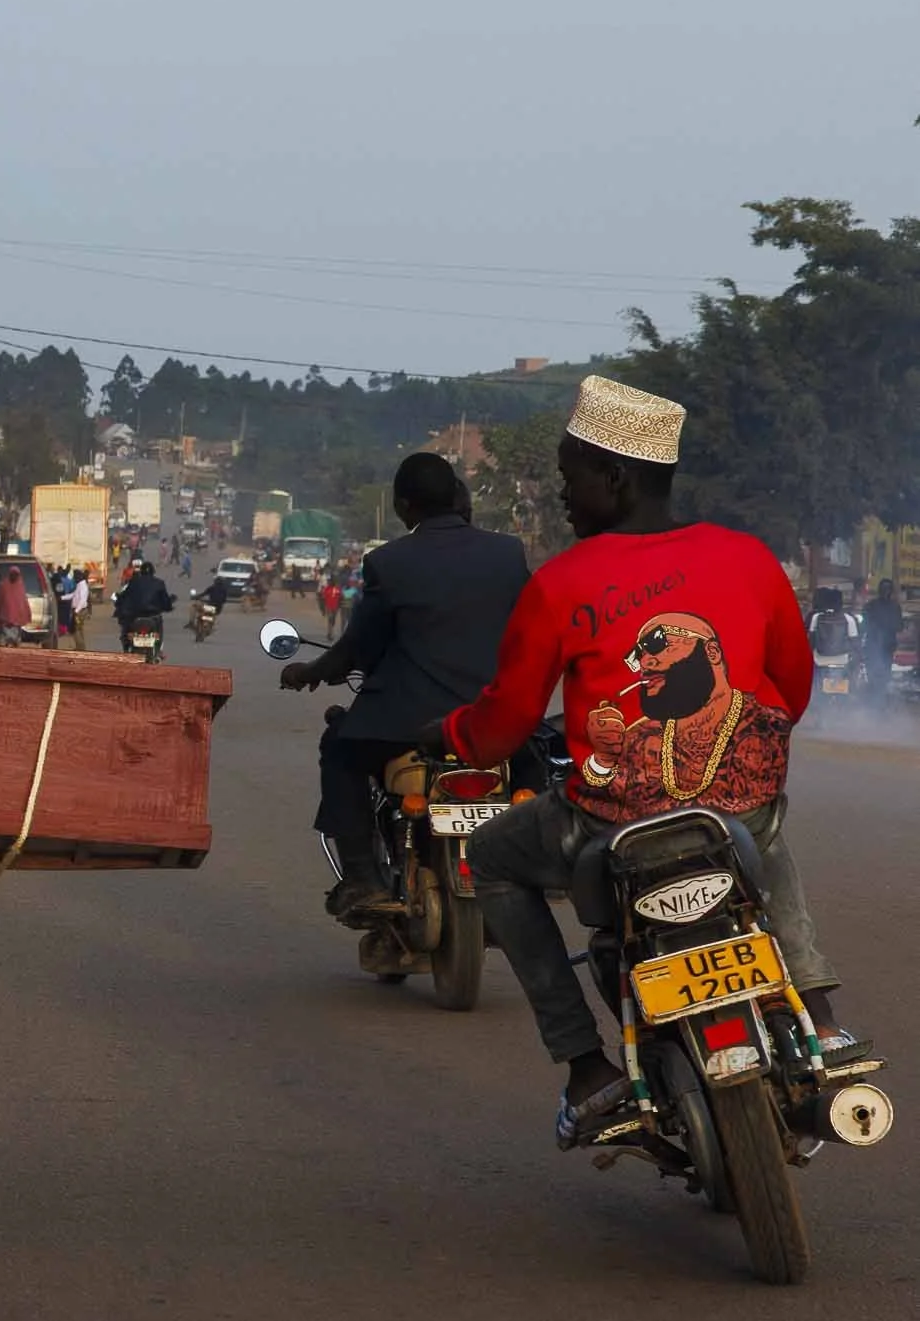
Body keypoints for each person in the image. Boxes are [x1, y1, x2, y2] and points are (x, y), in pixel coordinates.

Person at [435, 376, 862, 1145]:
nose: (562, 494)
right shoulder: (749, 558)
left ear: (615, 477)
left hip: (609, 827)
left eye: (569, 477)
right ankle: (822, 1020)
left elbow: (503, 729)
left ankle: (586, 1068)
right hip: (732, 812)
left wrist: (455, 733)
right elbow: (789, 692)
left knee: (489, 855)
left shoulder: (560, 583)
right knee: (763, 831)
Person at [278, 454, 528, 916]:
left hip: (404, 723)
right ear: (458, 497)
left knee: (340, 752)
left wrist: (307, 672)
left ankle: (362, 879)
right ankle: (534, 866)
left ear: (403, 506)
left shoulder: (388, 563)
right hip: (495, 717)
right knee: (538, 766)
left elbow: (356, 647)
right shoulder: (508, 553)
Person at [111, 558, 174, 645]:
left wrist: (119, 603)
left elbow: (124, 596)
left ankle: (128, 646)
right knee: (159, 632)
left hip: (136, 616)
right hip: (153, 616)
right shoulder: (159, 583)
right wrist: (168, 606)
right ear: (153, 572)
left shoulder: (134, 582)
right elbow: (165, 601)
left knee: (127, 631)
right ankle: (159, 650)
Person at [861, 579, 901, 705]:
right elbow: (899, 626)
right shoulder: (894, 607)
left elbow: (864, 626)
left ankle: (876, 703)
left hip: (879, 647)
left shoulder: (870, 605)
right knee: (881, 677)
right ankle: (878, 703)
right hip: (882, 647)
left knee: (876, 676)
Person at [0, 565, 33, 645]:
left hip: (16, 623)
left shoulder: (20, 586)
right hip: (4, 622)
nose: (14, 576)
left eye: (16, 574)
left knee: (14, 642)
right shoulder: (4, 585)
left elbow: (23, 603)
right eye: (12, 574)